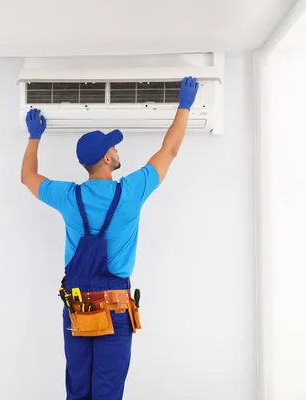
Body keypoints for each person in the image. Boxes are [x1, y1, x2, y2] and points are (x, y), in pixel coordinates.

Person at [20, 77, 200, 400]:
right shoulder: (130, 192)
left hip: (77, 306)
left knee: (77, 392)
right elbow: (169, 150)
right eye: (113, 147)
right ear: (106, 159)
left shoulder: (68, 196)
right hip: (115, 309)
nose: (117, 151)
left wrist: (34, 138)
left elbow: (28, 178)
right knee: (107, 395)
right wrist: (184, 105)